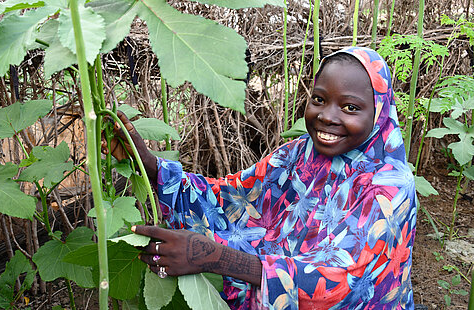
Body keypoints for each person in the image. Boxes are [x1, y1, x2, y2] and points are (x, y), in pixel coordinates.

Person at [108, 46, 417, 309]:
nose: (327, 116)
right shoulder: (298, 154)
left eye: (350, 107)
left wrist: (216, 258)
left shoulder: (390, 189)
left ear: (379, 113)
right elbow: (232, 197)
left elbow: (340, 283)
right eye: (319, 100)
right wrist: (148, 164)